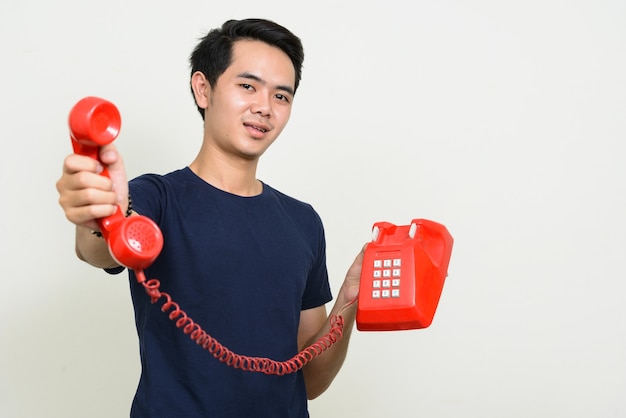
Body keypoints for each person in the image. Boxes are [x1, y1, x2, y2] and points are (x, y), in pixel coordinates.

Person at [56, 18, 364, 417]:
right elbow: (97, 249)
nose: (264, 108)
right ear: (203, 89)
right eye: (247, 86)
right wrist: (98, 213)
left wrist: (350, 301)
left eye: (281, 96)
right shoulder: (155, 197)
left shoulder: (303, 221)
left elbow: (311, 381)